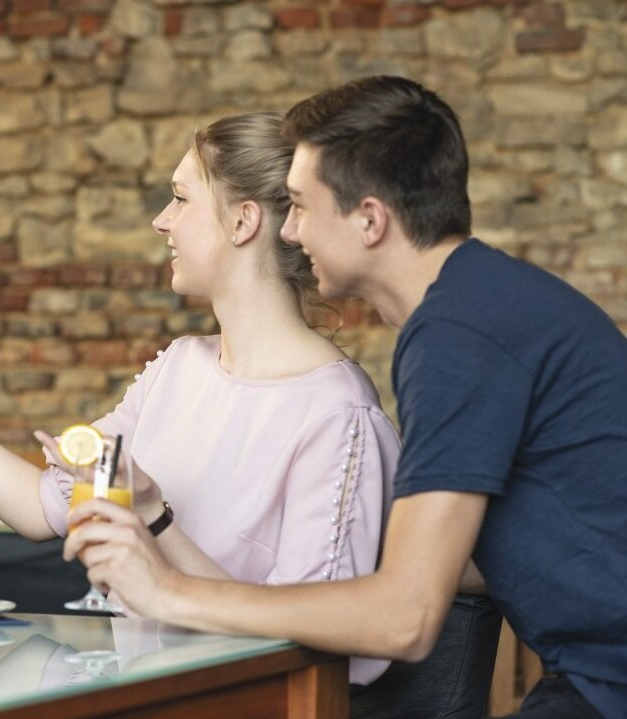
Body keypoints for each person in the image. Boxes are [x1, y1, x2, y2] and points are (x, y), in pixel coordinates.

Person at [64, 76, 627, 719]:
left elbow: (404, 619)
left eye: (300, 206)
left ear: (369, 219)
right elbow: (504, 549)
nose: (291, 232)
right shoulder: (476, 306)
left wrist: (168, 592)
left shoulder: (459, 335)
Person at [0, 112, 400, 684]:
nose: (162, 221)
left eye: (180, 199)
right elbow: (39, 506)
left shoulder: (337, 415)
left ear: (243, 221)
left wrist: (154, 524)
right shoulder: (179, 368)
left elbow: (319, 646)